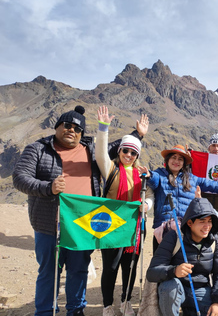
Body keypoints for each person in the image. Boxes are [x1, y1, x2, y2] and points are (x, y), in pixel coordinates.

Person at [12, 105, 146, 316]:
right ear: (57, 126)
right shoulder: (38, 148)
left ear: (82, 133)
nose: (71, 130)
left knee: (78, 269)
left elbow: (118, 147)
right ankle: (46, 311)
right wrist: (49, 188)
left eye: (77, 128)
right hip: (50, 223)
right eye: (67, 125)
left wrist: (138, 134)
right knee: (49, 271)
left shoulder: (89, 149)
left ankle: (75, 310)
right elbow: (20, 178)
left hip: (84, 223)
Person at [96, 106, 154, 316]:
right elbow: (101, 153)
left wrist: (147, 205)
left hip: (134, 228)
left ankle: (126, 302)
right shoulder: (110, 169)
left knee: (129, 268)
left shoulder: (142, 174)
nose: (129, 155)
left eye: (133, 152)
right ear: (119, 151)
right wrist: (103, 128)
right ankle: (107, 305)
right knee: (110, 268)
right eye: (125, 151)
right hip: (110, 227)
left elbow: (150, 195)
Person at [138, 145, 218, 253]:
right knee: (160, 266)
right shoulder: (159, 175)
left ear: (184, 163)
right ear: (168, 160)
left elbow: (213, 185)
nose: (176, 161)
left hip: (187, 230)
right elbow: (153, 179)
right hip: (163, 230)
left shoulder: (192, 179)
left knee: (182, 265)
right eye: (173, 158)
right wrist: (149, 175)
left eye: (180, 159)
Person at [146, 198, 218, 316]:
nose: (207, 226)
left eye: (209, 221)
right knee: (170, 288)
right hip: (175, 288)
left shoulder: (214, 241)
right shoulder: (173, 237)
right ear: (190, 223)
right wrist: (174, 271)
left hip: (201, 290)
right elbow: (152, 273)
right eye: (202, 221)